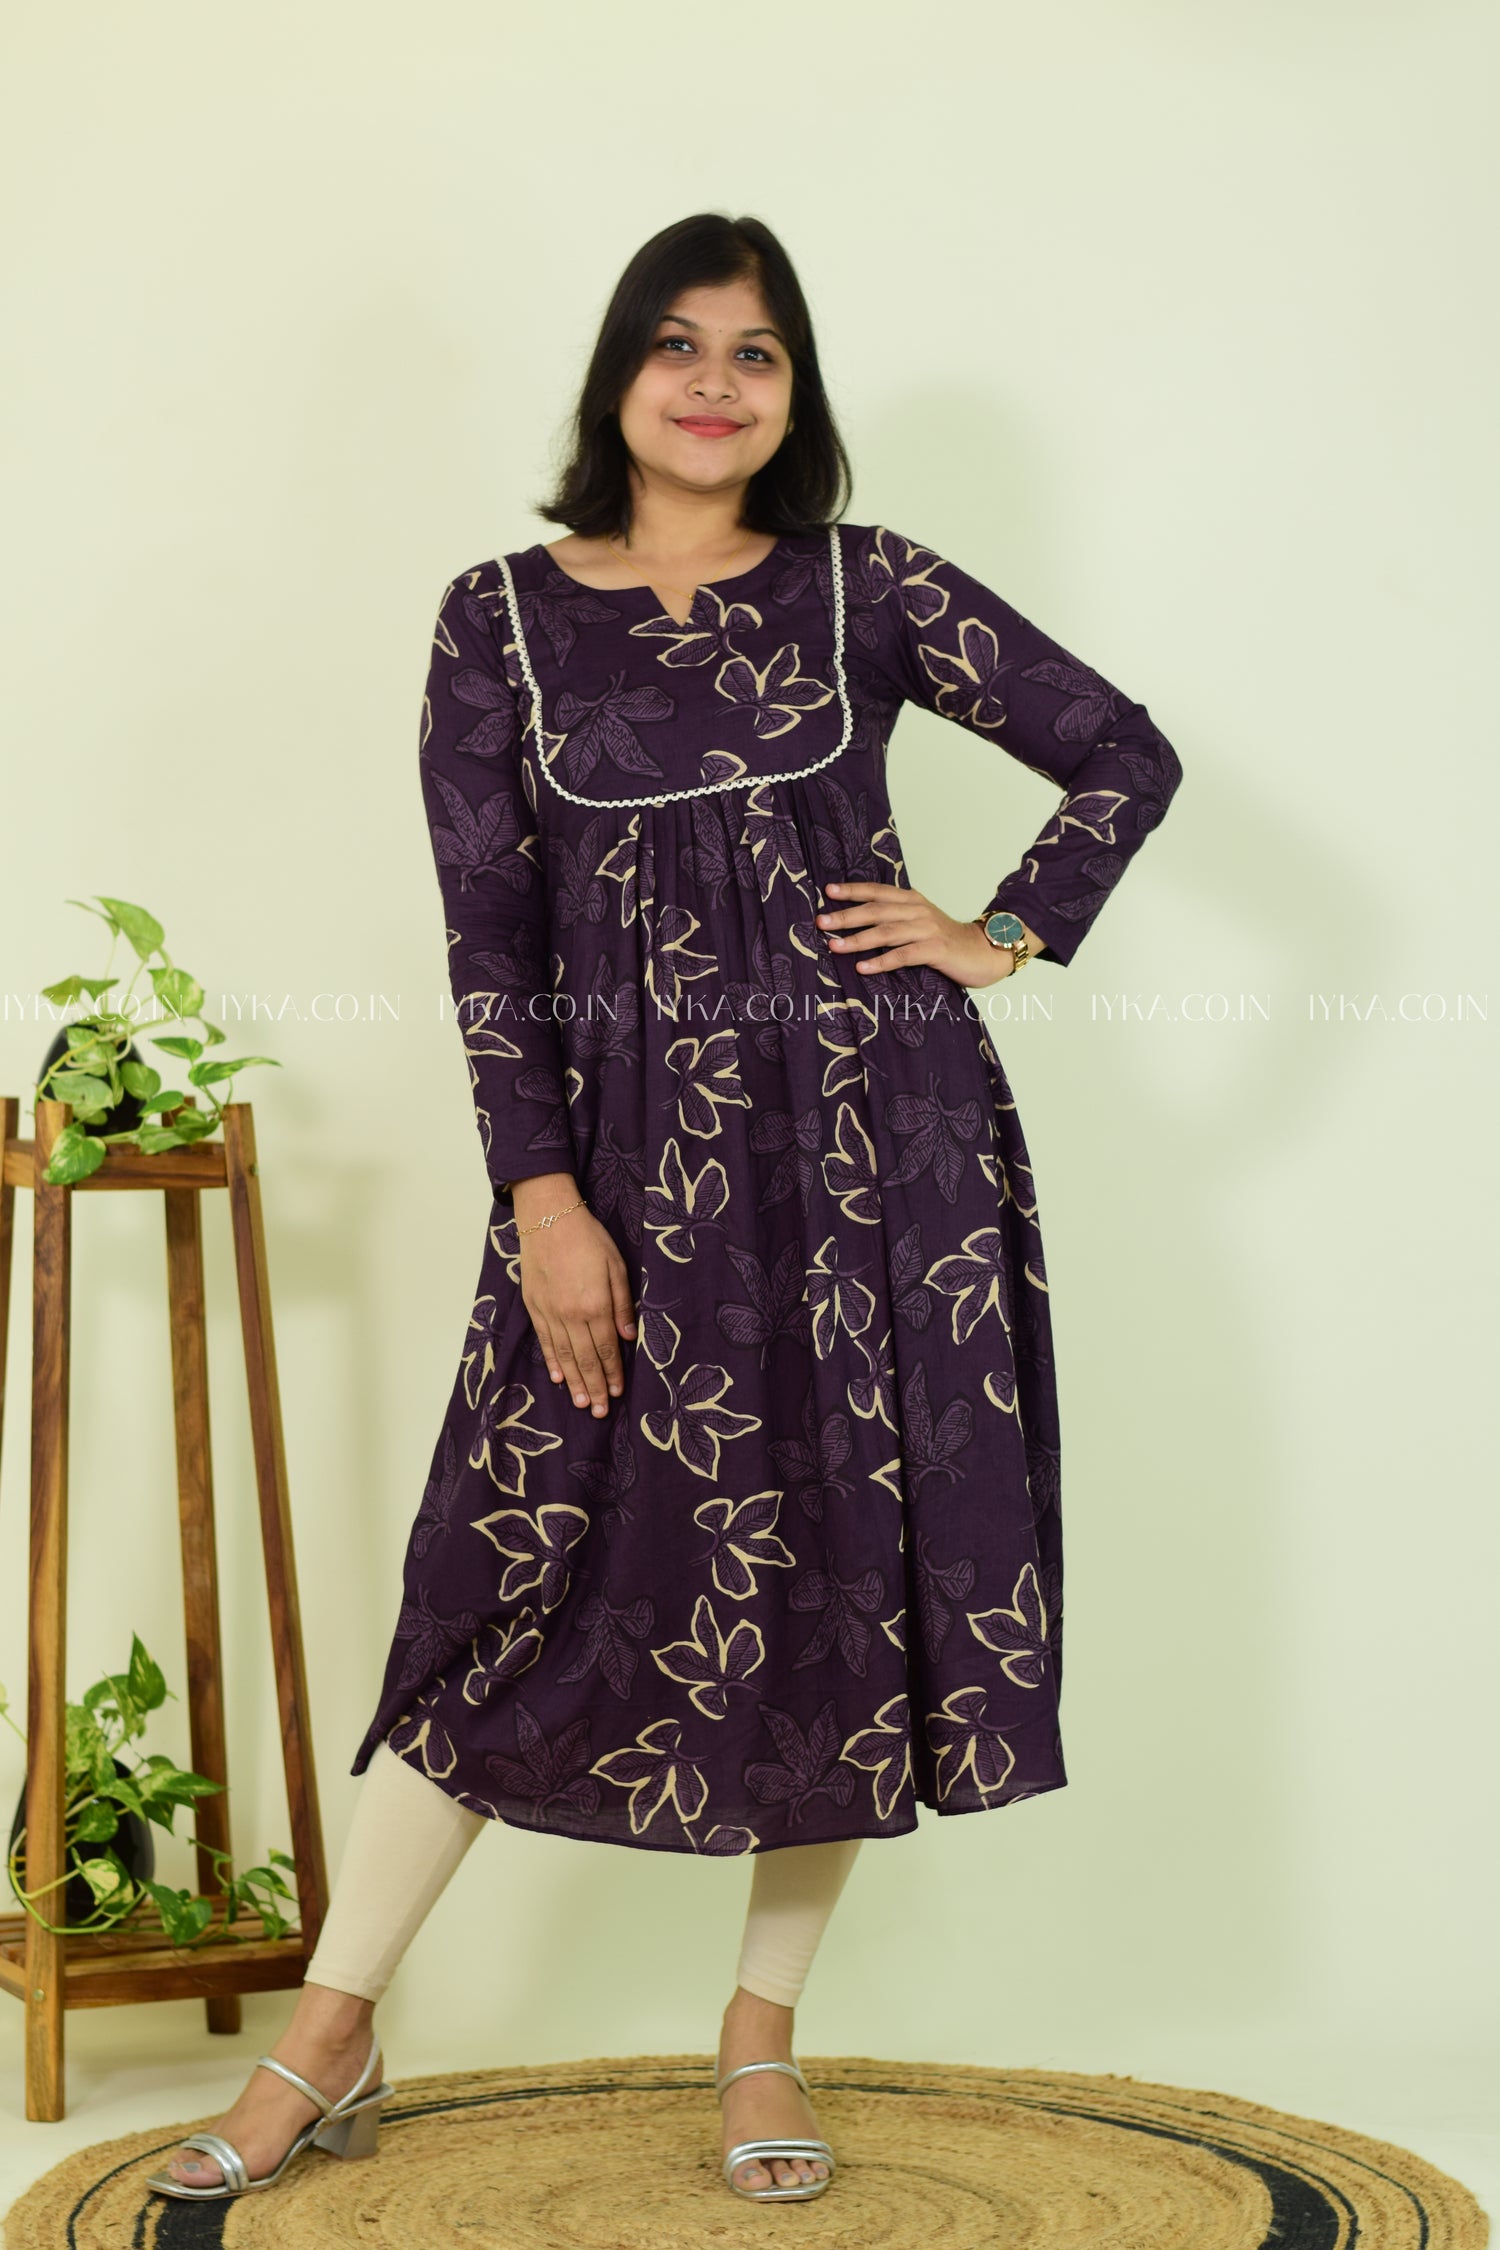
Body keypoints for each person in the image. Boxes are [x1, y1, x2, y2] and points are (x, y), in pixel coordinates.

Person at [149, 210, 1182, 2207]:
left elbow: (1120, 753)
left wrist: (1003, 932)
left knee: (846, 1576)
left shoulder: (868, 586)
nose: (716, 382)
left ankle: (759, 2034)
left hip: (878, 1162)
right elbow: (490, 937)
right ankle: (329, 2031)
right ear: (618, 375)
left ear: (796, 393)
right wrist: (545, 1198)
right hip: (618, 1171)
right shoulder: (497, 618)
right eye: (678, 344)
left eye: (757, 352)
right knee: (507, 1565)